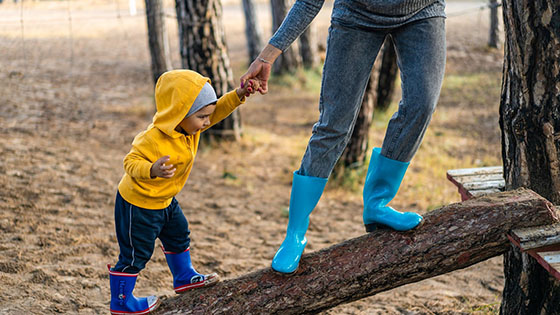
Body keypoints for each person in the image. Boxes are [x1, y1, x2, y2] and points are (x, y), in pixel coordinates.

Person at [241, 0, 447, 274]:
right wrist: (268, 55)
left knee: (421, 106)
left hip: (423, 11)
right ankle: (295, 234)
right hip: (356, 15)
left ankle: (377, 203)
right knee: (333, 125)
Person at [108, 69, 258, 315]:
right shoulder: (152, 139)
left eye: (207, 116)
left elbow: (217, 110)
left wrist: (239, 94)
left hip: (165, 200)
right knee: (136, 254)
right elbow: (129, 162)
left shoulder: (191, 128)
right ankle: (121, 301)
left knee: (179, 234)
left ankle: (183, 276)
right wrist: (151, 169)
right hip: (139, 204)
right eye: (202, 117)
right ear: (179, 113)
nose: (207, 122)